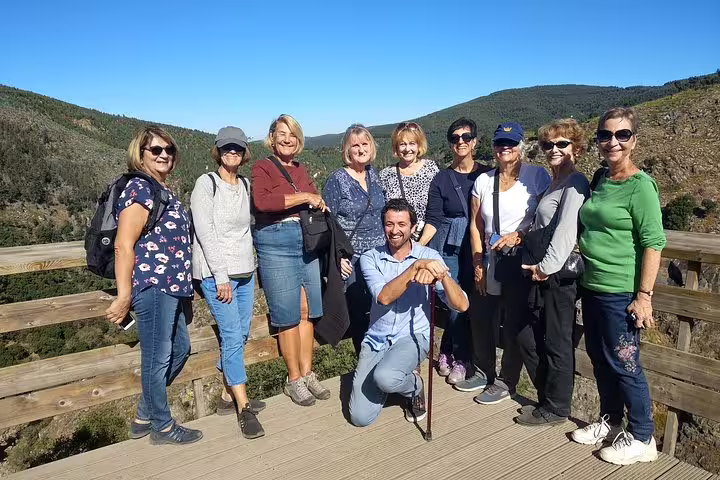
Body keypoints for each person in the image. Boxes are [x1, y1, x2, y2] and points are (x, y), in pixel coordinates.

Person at [571, 107, 664, 465]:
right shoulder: (600, 178)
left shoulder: (640, 186)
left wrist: (644, 296)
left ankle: (643, 437)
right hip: (592, 286)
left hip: (621, 292)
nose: (613, 141)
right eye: (605, 135)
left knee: (626, 364)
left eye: (622, 135)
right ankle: (610, 422)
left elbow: (653, 242)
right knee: (600, 359)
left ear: (634, 141)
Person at [105, 126, 202, 445]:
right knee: (157, 357)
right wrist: (123, 296)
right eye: (156, 150)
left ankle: (144, 414)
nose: (163, 155)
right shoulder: (139, 188)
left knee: (180, 349)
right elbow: (123, 244)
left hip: (172, 287)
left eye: (168, 150)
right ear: (141, 154)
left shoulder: (161, 188)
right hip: (154, 286)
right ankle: (161, 426)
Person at [349, 199, 469, 427]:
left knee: (385, 377)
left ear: (413, 228)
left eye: (402, 224)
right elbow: (383, 297)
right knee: (360, 417)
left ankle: (414, 386)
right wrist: (415, 268)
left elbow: (461, 305)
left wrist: (442, 275)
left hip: (413, 336)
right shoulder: (370, 258)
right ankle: (393, 379)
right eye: (389, 224)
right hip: (377, 339)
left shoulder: (430, 256)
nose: (395, 230)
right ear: (383, 225)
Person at [457, 122, 551, 405]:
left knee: (513, 323)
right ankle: (483, 370)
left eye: (511, 143)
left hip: (520, 260)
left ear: (521, 145)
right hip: (489, 259)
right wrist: (477, 262)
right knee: (481, 317)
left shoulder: (537, 177)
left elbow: (546, 217)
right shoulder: (483, 181)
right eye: (500, 143)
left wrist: (520, 235)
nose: (505, 148)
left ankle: (506, 380)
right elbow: (475, 224)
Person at [190, 126, 266, 439]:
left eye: (237, 148)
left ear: (244, 152)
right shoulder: (205, 184)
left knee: (241, 334)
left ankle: (226, 396)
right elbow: (205, 232)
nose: (231, 152)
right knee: (233, 335)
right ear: (218, 151)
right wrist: (220, 275)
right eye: (226, 148)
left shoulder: (246, 184)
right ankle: (243, 406)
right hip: (216, 274)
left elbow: (252, 224)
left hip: (245, 272)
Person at [514, 119, 590, 426]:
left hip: (555, 276)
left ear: (576, 149)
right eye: (548, 144)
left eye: (562, 144)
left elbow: (566, 231)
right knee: (528, 338)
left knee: (557, 341)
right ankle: (547, 399)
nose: (554, 149)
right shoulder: (554, 181)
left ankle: (557, 408)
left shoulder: (576, 182)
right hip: (541, 272)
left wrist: (545, 269)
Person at [252, 114, 330, 407]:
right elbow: (262, 202)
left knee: (307, 309)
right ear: (271, 138)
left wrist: (314, 198)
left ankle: (308, 373)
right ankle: (294, 379)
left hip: (305, 239)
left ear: (299, 142)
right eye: (281, 134)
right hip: (275, 241)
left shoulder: (301, 169)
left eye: (293, 135)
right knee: (286, 313)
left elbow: (311, 196)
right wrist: (303, 197)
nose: (287, 139)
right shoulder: (262, 167)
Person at [419, 118, 491, 385]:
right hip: (448, 246)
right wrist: (418, 247)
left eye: (466, 137)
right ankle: (460, 358)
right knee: (453, 300)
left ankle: (451, 352)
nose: (460, 141)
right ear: (450, 143)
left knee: (471, 302)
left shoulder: (487, 174)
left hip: (477, 245)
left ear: (475, 141)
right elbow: (433, 219)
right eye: (455, 138)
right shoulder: (441, 179)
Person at [323, 124, 386, 354]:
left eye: (364, 143)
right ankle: (366, 363)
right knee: (360, 315)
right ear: (347, 151)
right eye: (355, 145)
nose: (360, 149)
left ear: (372, 146)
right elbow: (327, 223)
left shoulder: (375, 175)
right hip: (354, 260)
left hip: (381, 256)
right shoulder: (337, 180)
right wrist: (338, 257)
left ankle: (385, 364)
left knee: (382, 310)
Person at [379, 122, 439, 240]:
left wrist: (420, 245)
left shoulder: (431, 169)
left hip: (426, 240)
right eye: (402, 144)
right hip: (396, 241)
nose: (407, 149)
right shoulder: (386, 175)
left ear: (419, 145)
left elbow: (437, 211)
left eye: (412, 143)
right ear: (396, 147)